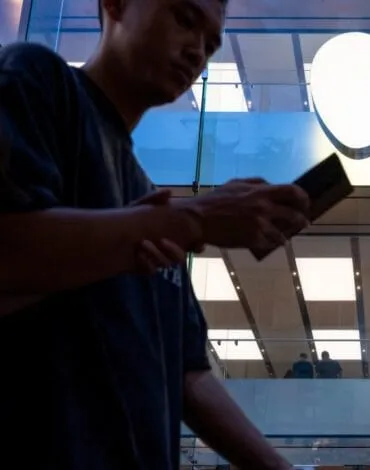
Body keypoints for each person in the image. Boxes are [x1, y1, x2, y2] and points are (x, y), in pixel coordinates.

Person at [0, 0, 311, 468]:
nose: (197, 53)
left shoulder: (151, 197)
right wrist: (192, 221)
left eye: (211, 45)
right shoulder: (37, 78)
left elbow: (189, 376)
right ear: (116, 5)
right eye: (184, 19)